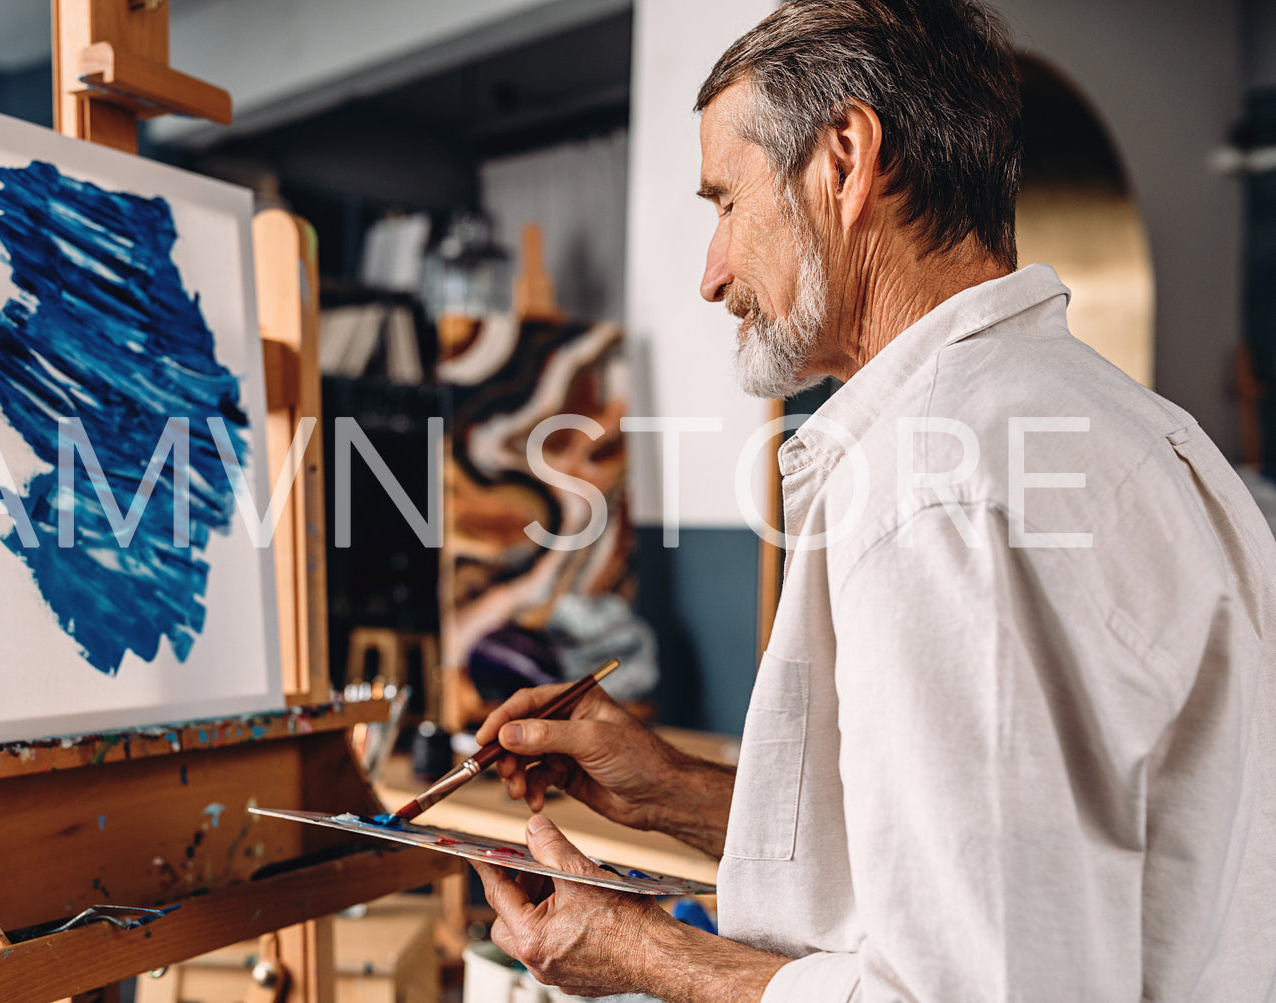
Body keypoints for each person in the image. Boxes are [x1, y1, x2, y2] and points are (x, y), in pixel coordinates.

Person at [470, 1, 1276, 1000]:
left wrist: (639, 953)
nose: (710, 274)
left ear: (844, 161)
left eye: (724, 203)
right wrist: (673, 792)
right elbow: (1018, 857)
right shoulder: (1143, 432)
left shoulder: (932, 492)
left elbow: (967, 986)